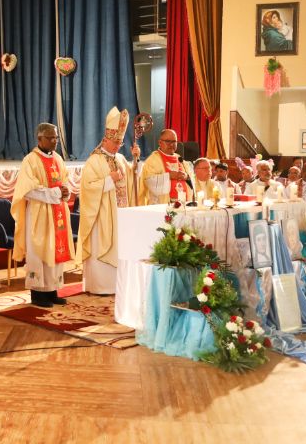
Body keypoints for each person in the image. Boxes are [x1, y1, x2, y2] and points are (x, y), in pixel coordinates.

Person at [12, 123, 76, 306]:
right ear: (40, 139)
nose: (54, 141)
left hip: (57, 213)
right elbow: (28, 190)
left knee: (55, 250)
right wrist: (56, 193)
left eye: (56, 138)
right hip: (39, 214)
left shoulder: (58, 159)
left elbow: (64, 181)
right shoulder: (30, 160)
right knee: (39, 251)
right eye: (50, 138)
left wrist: (66, 191)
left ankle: (52, 290)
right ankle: (38, 294)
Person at [78, 107, 138, 295]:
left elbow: (132, 179)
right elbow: (87, 188)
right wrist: (109, 180)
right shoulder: (94, 161)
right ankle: (100, 286)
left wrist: (135, 161)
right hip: (101, 216)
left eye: (120, 142)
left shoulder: (120, 158)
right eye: (115, 142)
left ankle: (117, 285)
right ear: (106, 139)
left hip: (120, 214)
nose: (118, 146)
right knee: (102, 248)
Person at [137, 128, 192, 205]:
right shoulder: (153, 160)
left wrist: (186, 177)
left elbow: (192, 179)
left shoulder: (180, 159)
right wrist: (168, 176)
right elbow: (149, 181)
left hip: (183, 204)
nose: (171, 144)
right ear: (160, 142)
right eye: (168, 141)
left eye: (174, 141)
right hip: (161, 206)